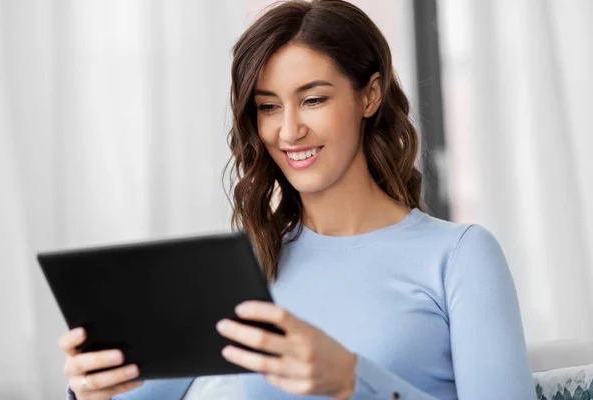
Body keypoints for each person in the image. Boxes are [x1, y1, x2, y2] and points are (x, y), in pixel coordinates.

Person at [59, 0, 537, 399]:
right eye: (268, 107)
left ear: (369, 96)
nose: (289, 131)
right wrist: (92, 389)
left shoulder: (459, 256)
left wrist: (352, 378)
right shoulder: (246, 265)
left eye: (313, 99)